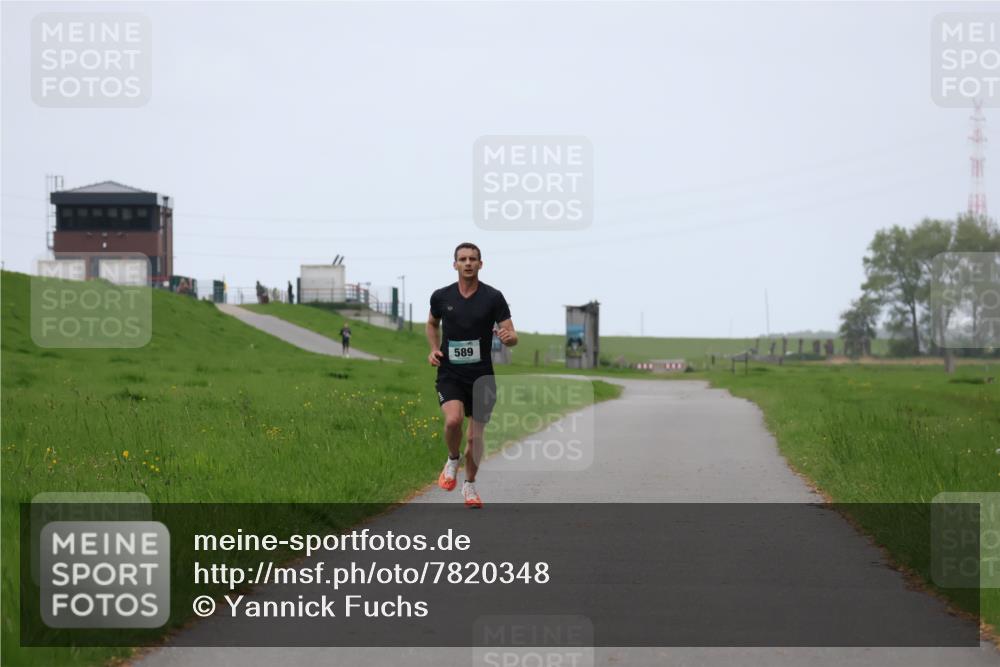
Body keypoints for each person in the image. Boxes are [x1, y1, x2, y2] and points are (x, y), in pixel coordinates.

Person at [427, 242, 517, 508]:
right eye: (463, 259)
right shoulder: (441, 296)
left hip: (481, 377)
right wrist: (433, 349)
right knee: (453, 421)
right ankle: (452, 459)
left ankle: (470, 486)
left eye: (473, 259)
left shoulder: (493, 297)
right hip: (450, 373)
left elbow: (512, 335)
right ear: (454, 264)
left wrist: (508, 337)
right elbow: (432, 324)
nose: (468, 263)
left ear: (481, 264)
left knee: (475, 438)